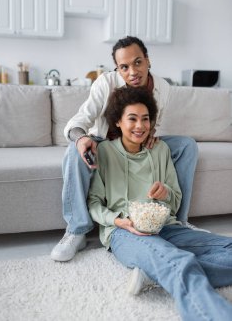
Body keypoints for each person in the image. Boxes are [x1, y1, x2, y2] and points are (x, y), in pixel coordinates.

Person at [51, 35, 202, 263]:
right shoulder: (105, 83)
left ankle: (178, 219)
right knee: (74, 151)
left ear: (148, 60)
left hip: (140, 141)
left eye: (138, 62)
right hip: (103, 143)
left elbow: (154, 121)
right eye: (124, 67)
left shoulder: (163, 88)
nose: (132, 71)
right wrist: (81, 138)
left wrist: (151, 134)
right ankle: (77, 229)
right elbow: (78, 122)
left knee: (186, 146)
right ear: (117, 69)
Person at [88, 86, 232, 321]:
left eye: (145, 119)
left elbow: (174, 202)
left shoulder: (160, 150)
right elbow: (94, 202)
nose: (140, 126)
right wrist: (117, 221)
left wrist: (165, 192)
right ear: (117, 122)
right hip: (124, 232)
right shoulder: (104, 152)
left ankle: (155, 275)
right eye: (132, 119)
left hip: (167, 226)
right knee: (178, 260)